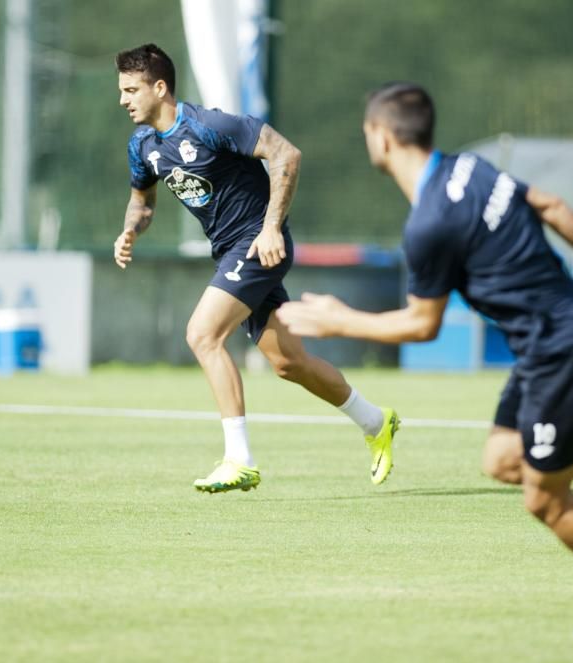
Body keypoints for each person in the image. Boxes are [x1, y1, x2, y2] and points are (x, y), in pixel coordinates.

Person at [277, 82, 573, 637]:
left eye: (365, 133)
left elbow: (421, 325)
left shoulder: (428, 223)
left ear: (381, 136)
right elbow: (553, 205)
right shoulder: (469, 169)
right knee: (502, 458)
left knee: (544, 500)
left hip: (561, 351)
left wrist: (339, 321)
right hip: (565, 337)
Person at [112, 44, 399, 493]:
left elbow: (287, 155)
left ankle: (239, 458)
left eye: (132, 90)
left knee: (201, 335)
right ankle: (376, 422)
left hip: (257, 243)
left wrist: (270, 229)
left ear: (160, 87)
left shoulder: (211, 125)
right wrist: (131, 230)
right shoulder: (142, 146)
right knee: (289, 364)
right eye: (122, 91)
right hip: (228, 250)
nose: (124, 100)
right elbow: (141, 200)